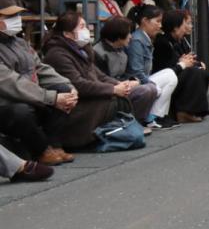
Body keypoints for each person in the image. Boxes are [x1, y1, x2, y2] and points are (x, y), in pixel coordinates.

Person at [42, 11, 154, 147]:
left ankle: (123, 128)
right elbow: (79, 84)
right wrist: (113, 89)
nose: (86, 30)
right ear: (67, 34)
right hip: (76, 102)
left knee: (139, 91)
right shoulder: (58, 54)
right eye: (82, 26)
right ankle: (91, 136)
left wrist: (120, 84)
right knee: (116, 100)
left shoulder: (81, 49)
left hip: (91, 95)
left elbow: (98, 75)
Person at [0, 0, 77, 165]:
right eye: (10, 16)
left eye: (17, 15)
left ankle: (53, 145)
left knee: (64, 91)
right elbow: (11, 83)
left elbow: (40, 68)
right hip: (7, 103)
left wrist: (68, 86)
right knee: (21, 112)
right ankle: (40, 150)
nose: (17, 19)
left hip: (31, 96)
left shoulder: (18, 42)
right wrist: (50, 98)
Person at [93, 15, 174, 128]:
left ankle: (138, 122)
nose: (130, 36)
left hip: (122, 84)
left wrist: (132, 80)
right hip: (111, 89)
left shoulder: (121, 49)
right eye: (128, 33)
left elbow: (126, 72)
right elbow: (101, 77)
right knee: (146, 90)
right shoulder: (99, 52)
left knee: (151, 87)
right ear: (118, 35)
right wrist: (122, 84)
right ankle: (133, 124)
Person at [123, 5, 179, 128]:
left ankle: (157, 116)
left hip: (143, 79)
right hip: (135, 82)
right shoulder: (137, 40)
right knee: (168, 78)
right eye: (157, 21)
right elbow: (136, 71)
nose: (160, 25)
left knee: (171, 74)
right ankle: (153, 117)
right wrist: (152, 85)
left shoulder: (145, 38)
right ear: (145, 21)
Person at [152, 9, 209, 123]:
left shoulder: (180, 40)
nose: (186, 28)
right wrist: (182, 63)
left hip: (176, 72)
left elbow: (189, 58)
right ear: (175, 27)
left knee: (201, 72)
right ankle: (184, 111)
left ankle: (198, 109)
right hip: (165, 78)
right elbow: (169, 67)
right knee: (194, 73)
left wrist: (194, 63)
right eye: (184, 24)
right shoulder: (163, 42)